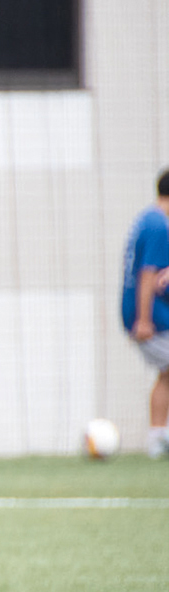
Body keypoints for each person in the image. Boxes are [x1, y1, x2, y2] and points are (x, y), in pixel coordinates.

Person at [122, 168, 169, 458]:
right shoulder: (158, 225)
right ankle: (157, 436)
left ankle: (158, 436)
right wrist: (143, 319)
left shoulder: (146, 219)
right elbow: (147, 273)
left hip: (151, 314)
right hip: (153, 317)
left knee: (166, 373)